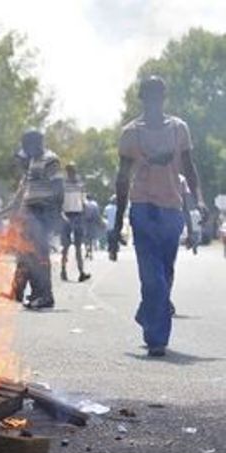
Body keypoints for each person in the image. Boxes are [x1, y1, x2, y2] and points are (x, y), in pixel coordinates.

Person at [114, 75, 207, 357]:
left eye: (158, 94)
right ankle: (157, 339)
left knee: (165, 273)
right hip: (142, 207)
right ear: (141, 97)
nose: (154, 99)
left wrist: (199, 202)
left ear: (164, 97)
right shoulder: (130, 132)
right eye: (149, 94)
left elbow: (189, 168)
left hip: (171, 208)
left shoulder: (179, 129)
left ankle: (147, 311)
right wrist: (118, 220)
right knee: (152, 275)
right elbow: (121, 178)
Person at [14, 130, 64, 310]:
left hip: (42, 211)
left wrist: (57, 214)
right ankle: (36, 294)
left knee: (39, 254)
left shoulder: (50, 160)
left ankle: (45, 295)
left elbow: (58, 187)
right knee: (29, 254)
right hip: (30, 212)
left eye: (26, 146)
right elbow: (27, 189)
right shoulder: (33, 160)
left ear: (36, 143)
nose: (24, 150)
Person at [60, 163, 91, 282]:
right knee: (69, 246)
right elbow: (83, 204)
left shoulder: (77, 185)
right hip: (69, 215)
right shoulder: (66, 186)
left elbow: (83, 203)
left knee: (74, 246)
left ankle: (79, 271)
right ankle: (67, 270)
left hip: (74, 215)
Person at [82, 195, 103, 260]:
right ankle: (90, 251)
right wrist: (99, 222)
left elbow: (81, 213)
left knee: (85, 237)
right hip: (92, 222)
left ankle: (86, 250)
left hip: (84, 222)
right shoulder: (95, 204)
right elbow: (97, 214)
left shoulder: (84, 203)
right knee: (91, 238)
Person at [103, 195, 119, 260]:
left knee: (109, 241)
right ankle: (115, 253)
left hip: (109, 227)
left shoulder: (107, 208)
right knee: (115, 241)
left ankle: (110, 253)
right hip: (116, 228)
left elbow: (105, 217)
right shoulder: (118, 208)